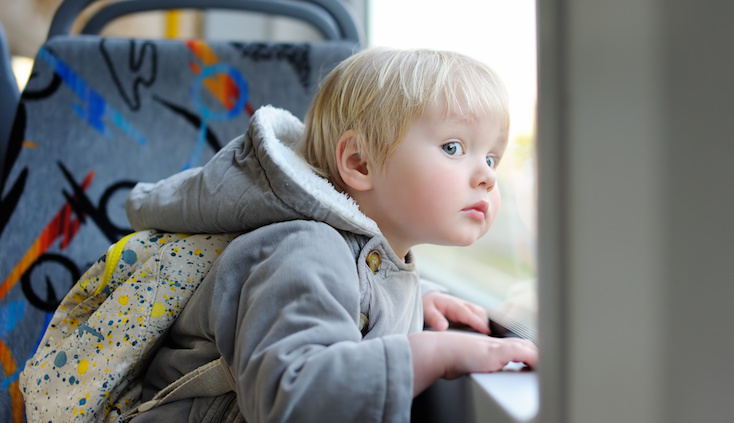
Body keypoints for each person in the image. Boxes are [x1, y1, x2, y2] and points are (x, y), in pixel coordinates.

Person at [126, 47, 538, 422]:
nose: (487, 175)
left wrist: (418, 295)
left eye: (490, 156)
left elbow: (358, 284)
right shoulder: (303, 249)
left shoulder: (368, 260)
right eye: (453, 147)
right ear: (359, 163)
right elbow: (290, 400)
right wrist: (428, 354)